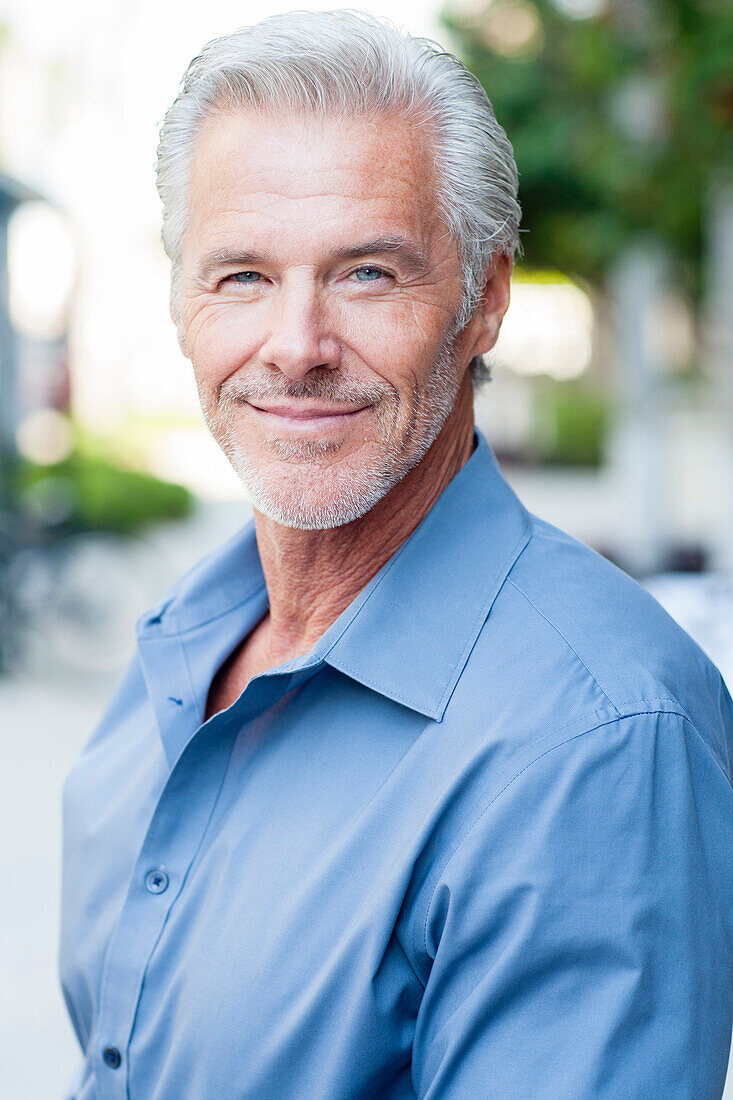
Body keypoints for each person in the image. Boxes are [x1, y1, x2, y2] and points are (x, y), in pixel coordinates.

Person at [59, 10, 733, 1098]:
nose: (295, 345)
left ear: (485, 301)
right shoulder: (180, 647)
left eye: (367, 273)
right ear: (181, 301)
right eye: (241, 276)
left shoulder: (596, 741)